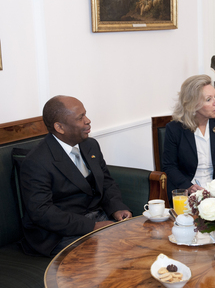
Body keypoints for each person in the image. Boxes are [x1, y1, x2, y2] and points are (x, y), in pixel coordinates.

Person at [20, 95, 132, 257]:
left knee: (138, 241)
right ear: (59, 127)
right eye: (80, 118)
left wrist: (117, 208)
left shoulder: (90, 145)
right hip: (59, 233)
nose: (88, 121)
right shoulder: (37, 161)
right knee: (110, 254)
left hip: (98, 217)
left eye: (85, 114)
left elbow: (106, 181)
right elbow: (42, 213)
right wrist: (92, 226)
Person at [162, 74, 215, 202]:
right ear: (193, 104)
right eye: (209, 99)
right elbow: (169, 166)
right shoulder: (175, 129)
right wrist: (189, 187)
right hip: (186, 191)